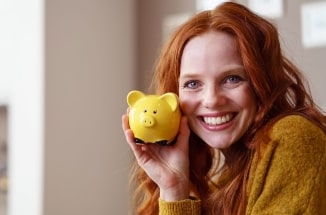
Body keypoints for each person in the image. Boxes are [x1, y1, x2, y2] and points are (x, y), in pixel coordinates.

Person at [122, 2, 326, 215]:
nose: (211, 100)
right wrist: (173, 188)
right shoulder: (224, 181)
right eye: (193, 84)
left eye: (232, 78)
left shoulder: (293, 137)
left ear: (260, 83)